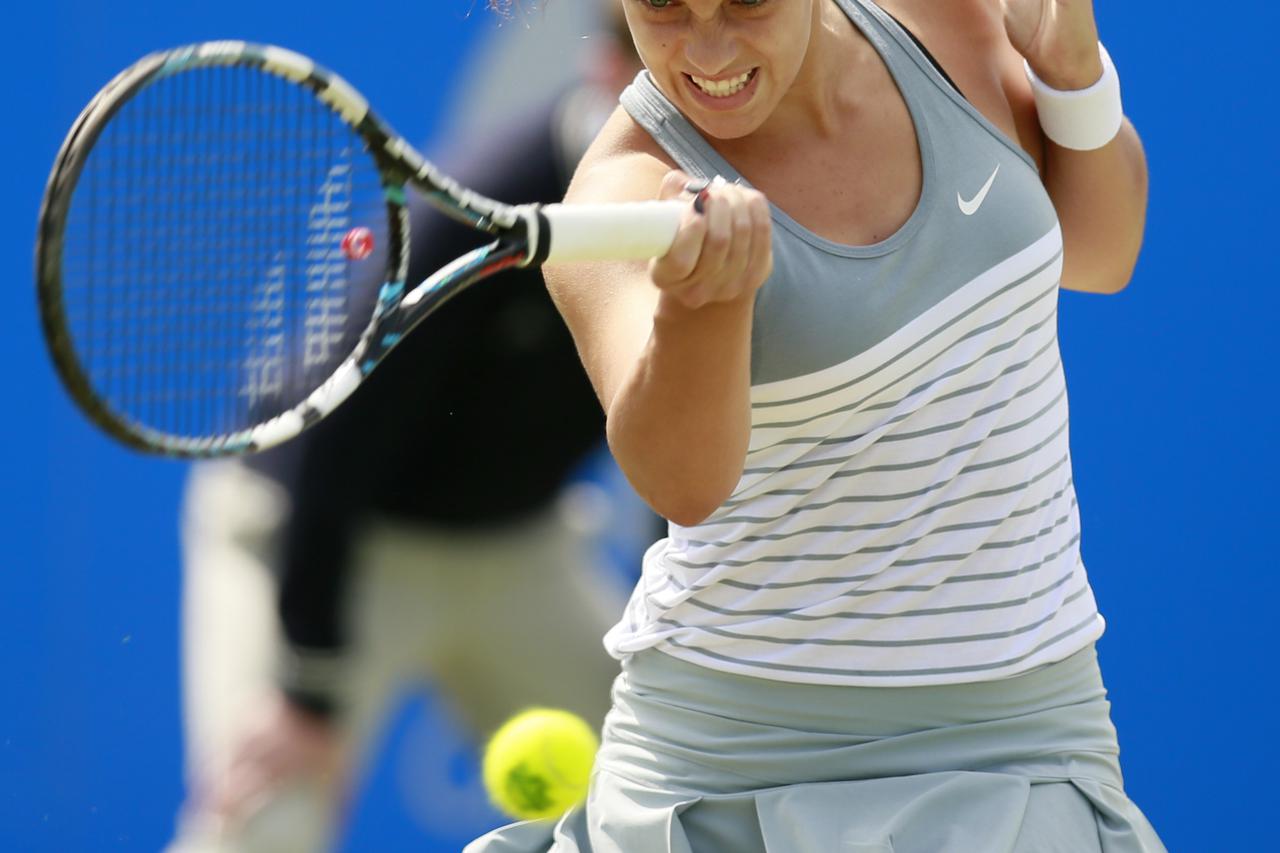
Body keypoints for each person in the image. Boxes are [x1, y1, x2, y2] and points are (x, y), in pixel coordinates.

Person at [469, 0, 1161, 851]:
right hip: (729, 767)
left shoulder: (947, 22)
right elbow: (682, 482)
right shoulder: (621, 190)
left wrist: (1072, 77)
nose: (708, 50)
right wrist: (702, 309)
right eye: (664, 7)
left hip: (1026, 736)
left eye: (746, 2)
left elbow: (1102, 251)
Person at [166, 11, 650, 853]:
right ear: (608, 71)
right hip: (318, 541)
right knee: (269, 827)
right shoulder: (480, 202)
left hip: (516, 549)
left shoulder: (708, 214)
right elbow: (337, 442)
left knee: (669, 799)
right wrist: (307, 683)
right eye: (663, 65)